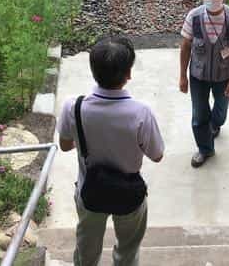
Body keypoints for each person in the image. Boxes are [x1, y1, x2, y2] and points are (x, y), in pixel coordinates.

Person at [58, 36, 164, 266]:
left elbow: (65, 145)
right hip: (129, 195)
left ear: (93, 70)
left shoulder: (73, 107)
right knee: (128, 248)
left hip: (90, 191)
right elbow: (157, 155)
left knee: (87, 243)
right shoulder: (141, 113)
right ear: (128, 74)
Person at [179, 0, 229, 167]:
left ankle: (216, 124)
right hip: (198, 76)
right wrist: (182, 76)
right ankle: (205, 149)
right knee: (199, 114)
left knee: (220, 112)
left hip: (224, 77)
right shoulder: (194, 16)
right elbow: (185, 46)